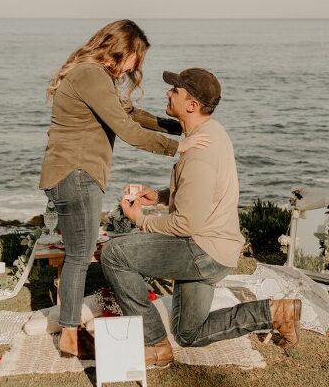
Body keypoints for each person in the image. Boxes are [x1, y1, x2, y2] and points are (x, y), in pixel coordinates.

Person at [100, 68, 302, 368]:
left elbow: (185, 224)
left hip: (201, 251)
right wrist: (160, 196)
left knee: (114, 254)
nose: (168, 93)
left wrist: (140, 219)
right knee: (188, 333)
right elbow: (200, 193)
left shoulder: (199, 153)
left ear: (191, 105)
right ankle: (275, 313)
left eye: (175, 91)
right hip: (214, 247)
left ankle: (155, 344)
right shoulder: (211, 132)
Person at [39, 20, 210, 358]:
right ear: (122, 49)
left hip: (71, 173)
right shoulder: (91, 75)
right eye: (136, 56)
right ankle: (70, 337)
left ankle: (70, 333)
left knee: (78, 253)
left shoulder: (95, 77)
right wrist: (177, 148)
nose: (137, 66)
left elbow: (130, 112)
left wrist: (180, 126)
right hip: (77, 173)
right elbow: (127, 128)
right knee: (78, 256)